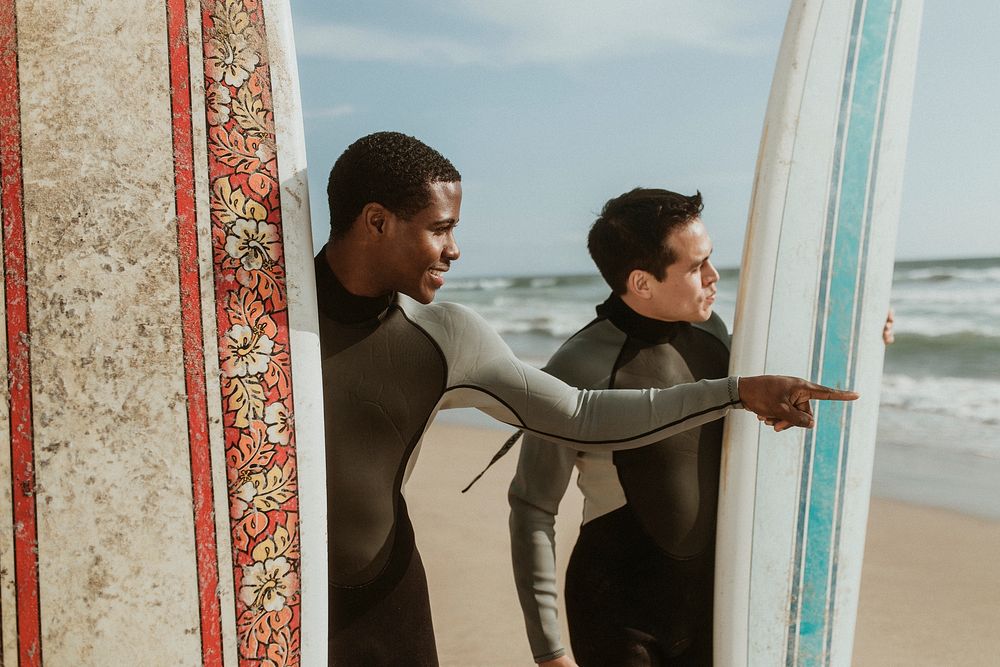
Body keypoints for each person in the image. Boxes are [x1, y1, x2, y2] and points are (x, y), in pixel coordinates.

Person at [316, 133, 857, 665]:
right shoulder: (270, 333)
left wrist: (745, 389)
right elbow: (534, 504)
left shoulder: (446, 336)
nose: (455, 249)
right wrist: (548, 648)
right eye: (441, 229)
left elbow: (579, 413)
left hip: (389, 606)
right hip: (277, 595)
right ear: (377, 222)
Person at [507, 188, 731, 666]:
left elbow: (786, 385)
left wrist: (867, 334)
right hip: (618, 615)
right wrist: (548, 650)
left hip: (711, 608)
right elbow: (532, 506)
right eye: (696, 267)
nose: (714, 276)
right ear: (642, 283)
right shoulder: (577, 367)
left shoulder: (715, 336)